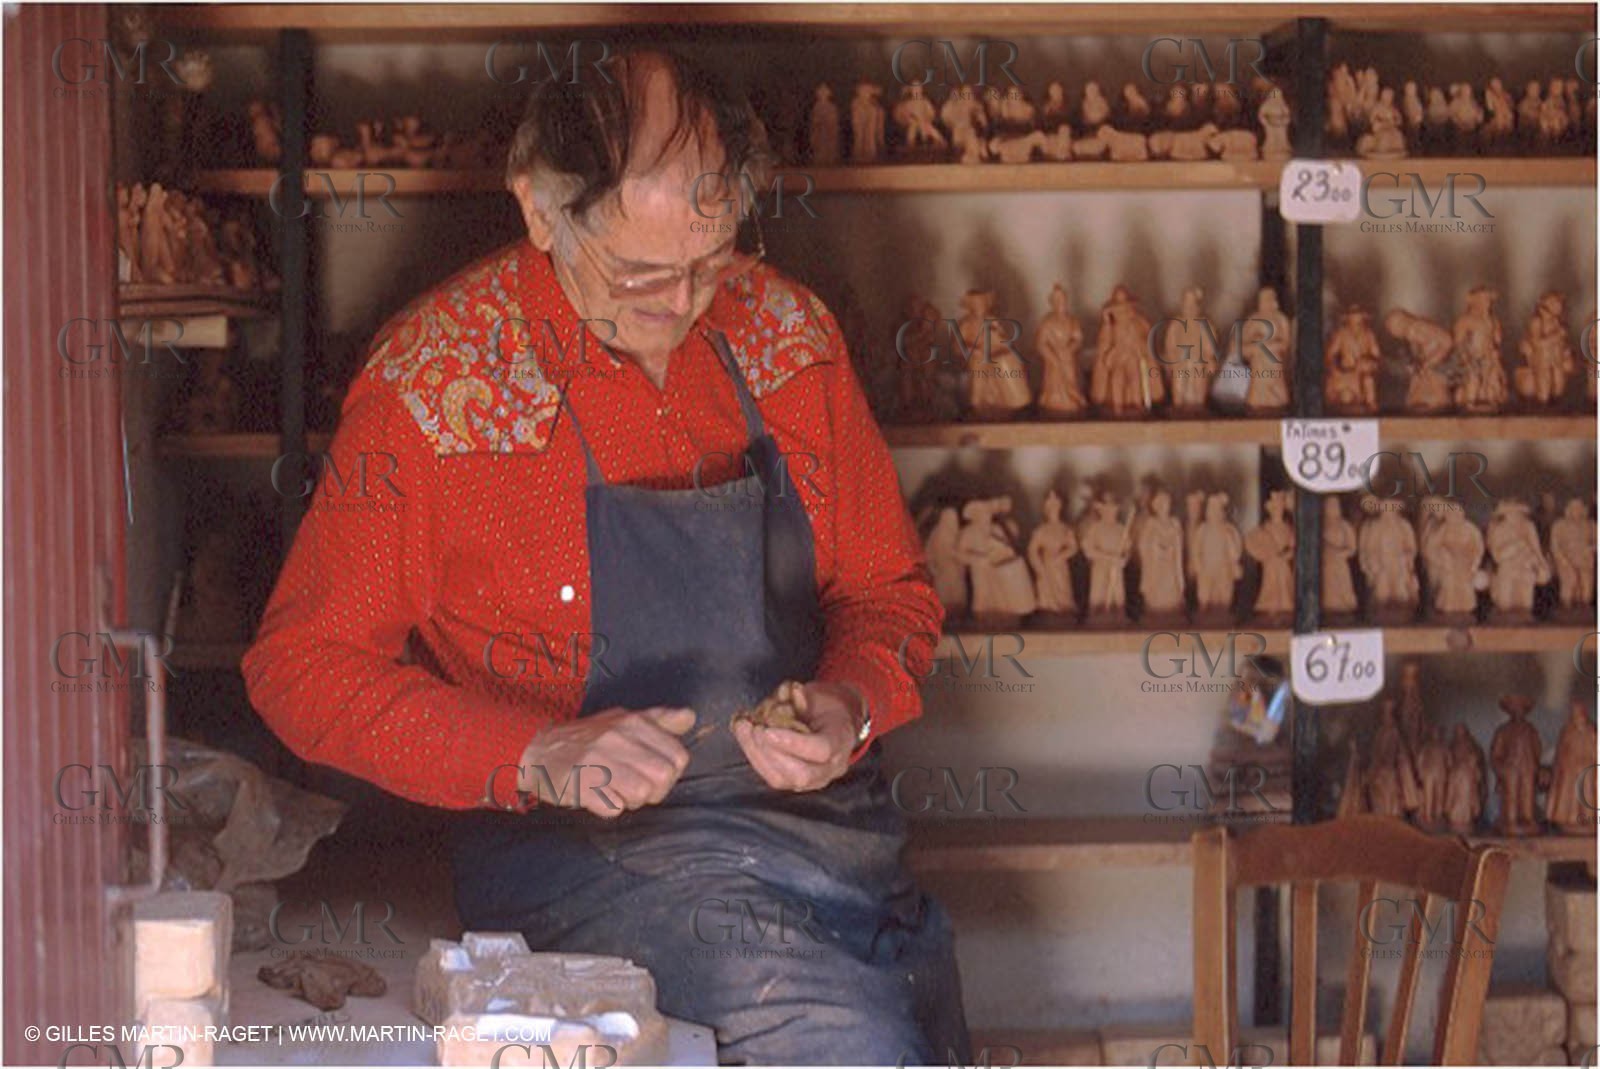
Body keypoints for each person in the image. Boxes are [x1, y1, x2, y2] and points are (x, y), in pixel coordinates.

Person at [243, 49, 966, 1065]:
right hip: (587, 856)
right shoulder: (436, 389)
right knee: (850, 1042)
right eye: (638, 270)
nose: (682, 301)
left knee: (920, 1026)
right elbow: (297, 669)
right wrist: (536, 752)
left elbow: (889, 594)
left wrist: (850, 700)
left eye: (710, 259)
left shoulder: (790, 339)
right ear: (541, 209)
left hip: (828, 838)